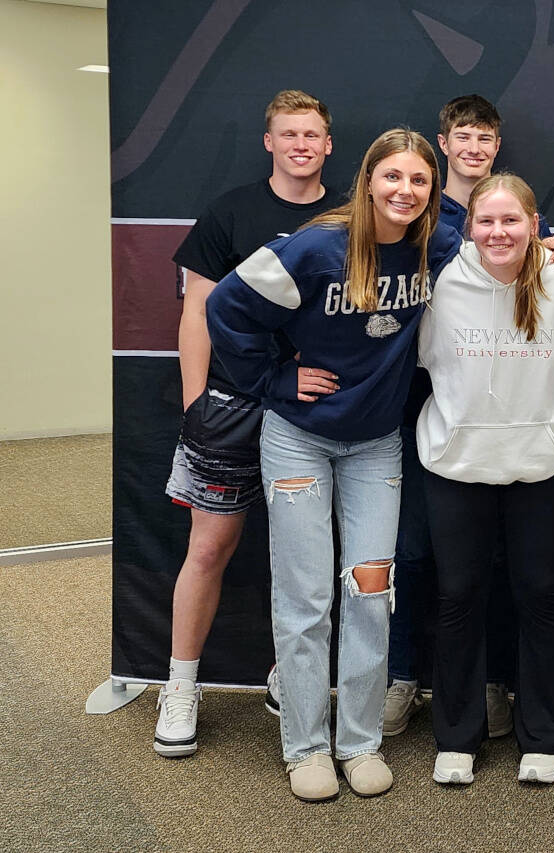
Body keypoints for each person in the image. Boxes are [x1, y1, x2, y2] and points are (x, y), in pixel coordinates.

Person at [206, 128, 460, 801]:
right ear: (368, 180)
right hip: (299, 439)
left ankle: (359, 741)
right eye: (393, 177)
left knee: (370, 593)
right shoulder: (317, 246)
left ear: (432, 191)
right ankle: (307, 745)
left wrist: (545, 241)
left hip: (376, 443)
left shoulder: (437, 242)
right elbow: (224, 306)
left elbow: (503, 239)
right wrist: (275, 381)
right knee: (306, 596)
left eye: (419, 180)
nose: (405, 191)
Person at [383, 93, 554, 741]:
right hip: (421, 411)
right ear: (443, 142)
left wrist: (551, 257)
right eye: (462, 135)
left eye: (484, 137)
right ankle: (403, 676)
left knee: (502, 568)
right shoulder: (414, 218)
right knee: (414, 553)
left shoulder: (526, 239)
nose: (473, 146)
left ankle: (493, 684)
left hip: (511, 424)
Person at [156, 89, 334, 758]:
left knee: (310, 559)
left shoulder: (348, 216)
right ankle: (180, 686)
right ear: (269, 141)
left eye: (311, 134)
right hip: (230, 408)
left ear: (328, 145)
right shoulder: (230, 211)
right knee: (209, 548)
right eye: (288, 133)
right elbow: (196, 312)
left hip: (314, 407)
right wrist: (198, 403)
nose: (300, 144)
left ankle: (292, 669)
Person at [418, 173, 554, 786]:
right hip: (455, 463)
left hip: (538, 464)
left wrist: (548, 387)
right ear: (469, 226)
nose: (499, 232)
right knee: (458, 597)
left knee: (541, 596)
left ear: (534, 226)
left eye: (511, 221)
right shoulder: (441, 280)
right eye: (486, 221)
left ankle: (543, 737)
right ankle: (457, 736)